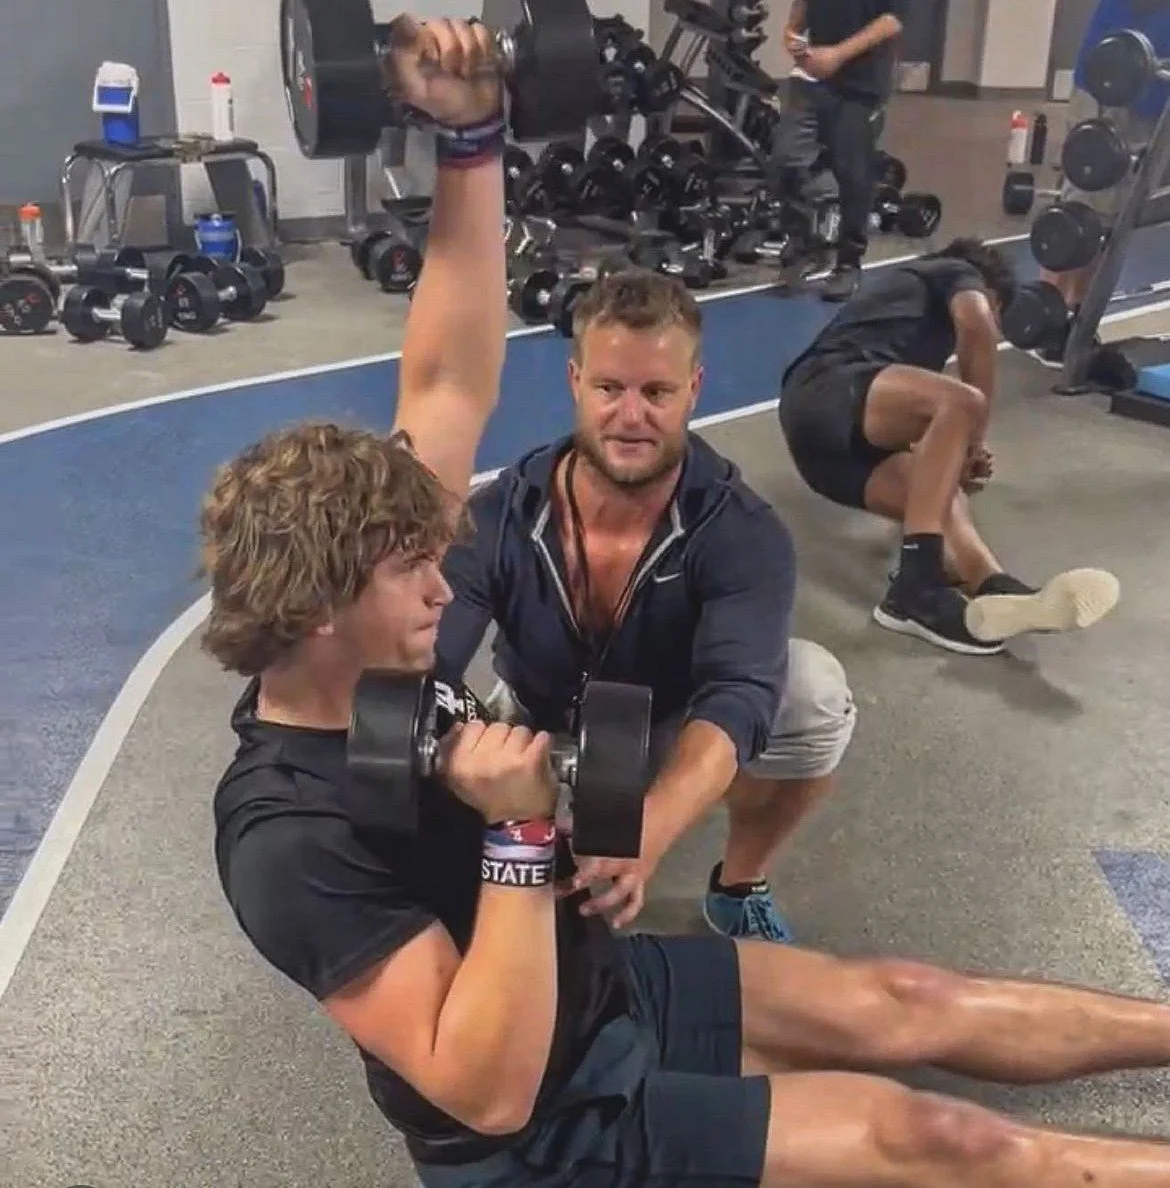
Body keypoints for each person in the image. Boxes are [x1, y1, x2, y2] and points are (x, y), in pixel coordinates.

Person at [206, 19, 1170, 1188]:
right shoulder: (284, 837)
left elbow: (450, 376)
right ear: (316, 612)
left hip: (591, 978)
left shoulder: (374, 637)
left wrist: (471, 140)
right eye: (412, 569)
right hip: (549, 1130)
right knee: (938, 1137)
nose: (443, 573)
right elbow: (486, 1087)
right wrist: (517, 834)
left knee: (907, 998)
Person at [434, 268, 856, 946]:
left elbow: (737, 692)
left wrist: (651, 830)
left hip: (669, 725)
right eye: (610, 388)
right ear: (576, 382)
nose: (631, 417)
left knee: (811, 690)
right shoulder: (501, 515)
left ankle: (738, 885)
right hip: (536, 720)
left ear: (693, 389)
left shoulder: (743, 532)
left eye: (657, 391)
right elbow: (431, 649)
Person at [778, 237, 1120, 655]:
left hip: (826, 458)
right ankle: (915, 587)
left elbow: (916, 442)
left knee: (941, 493)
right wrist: (973, 441)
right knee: (962, 401)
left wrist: (950, 458)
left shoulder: (909, 331)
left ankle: (993, 586)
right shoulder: (955, 271)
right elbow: (976, 326)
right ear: (990, 292)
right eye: (999, 312)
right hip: (827, 389)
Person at [1034, 0, 1170, 365]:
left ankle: (1079, 316)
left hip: (1157, 94)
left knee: (1119, 214)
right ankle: (1047, 319)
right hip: (1118, 81)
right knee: (1084, 209)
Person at [771, 0, 907, 302]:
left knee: (853, 172)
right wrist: (792, 32)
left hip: (860, 84)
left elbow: (892, 20)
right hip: (811, 78)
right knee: (786, 160)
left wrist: (837, 54)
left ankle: (848, 264)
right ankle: (805, 244)